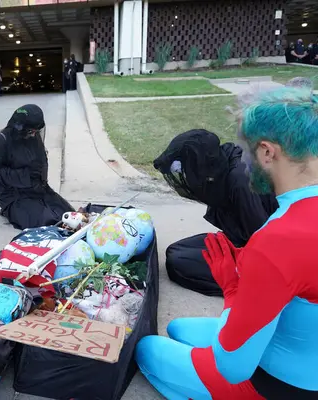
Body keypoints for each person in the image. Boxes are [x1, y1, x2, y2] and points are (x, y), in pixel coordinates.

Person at [136, 84, 318, 399]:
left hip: (280, 384)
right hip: (297, 345)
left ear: (267, 152)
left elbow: (233, 367)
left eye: (248, 150)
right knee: (179, 328)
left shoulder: (277, 238)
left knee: (147, 348)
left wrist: (234, 289)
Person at [154, 129, 278, 296]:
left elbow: (264, 240)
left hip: (264, 257)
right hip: (241, 240)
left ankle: (249, 285)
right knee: (175, 250)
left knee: (179, 263)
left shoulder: (240, 181)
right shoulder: (223, 162)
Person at [0, 104, 74, 230]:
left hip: (37, 190)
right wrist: (26, 175)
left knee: (67, 215)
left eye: (36, 131)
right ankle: (9, 211)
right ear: (19, 127)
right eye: (31, 131)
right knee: (46, 222)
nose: (33, 135)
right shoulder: (2, 140)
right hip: (14, 195)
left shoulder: (32, 136)